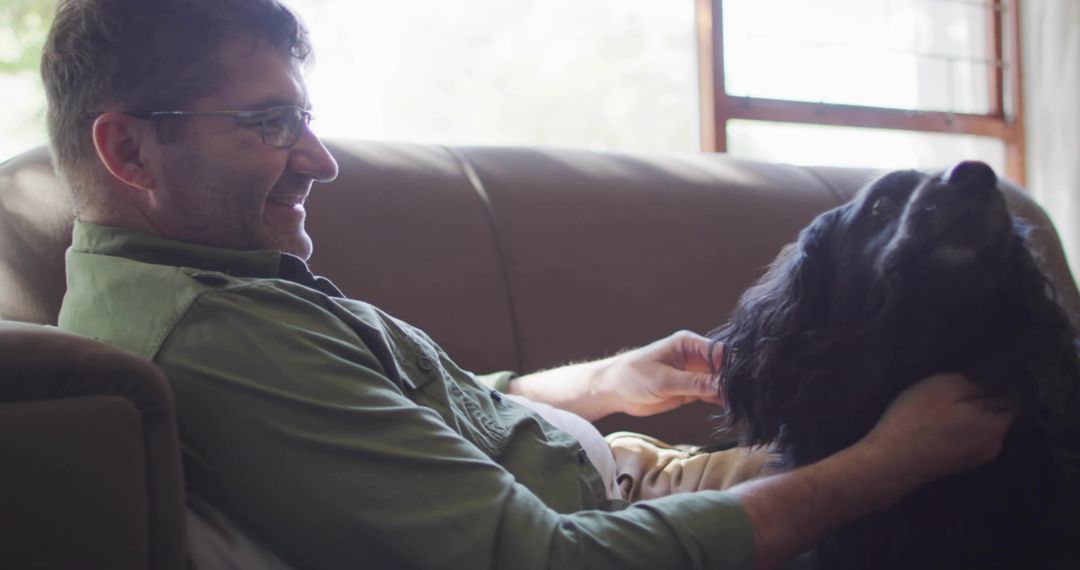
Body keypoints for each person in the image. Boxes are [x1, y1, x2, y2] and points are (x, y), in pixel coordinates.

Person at [41, 0, 1013, 568]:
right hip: (625, 520)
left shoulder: (205, 280)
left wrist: (600, 381)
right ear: (128, 148)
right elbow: (550, 563)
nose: (318, 160)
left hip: (630, 478)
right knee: (1001, 440)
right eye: (266, 123)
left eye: (302, 119)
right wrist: (891, 464)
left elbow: (407, 416)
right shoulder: (216, 335)